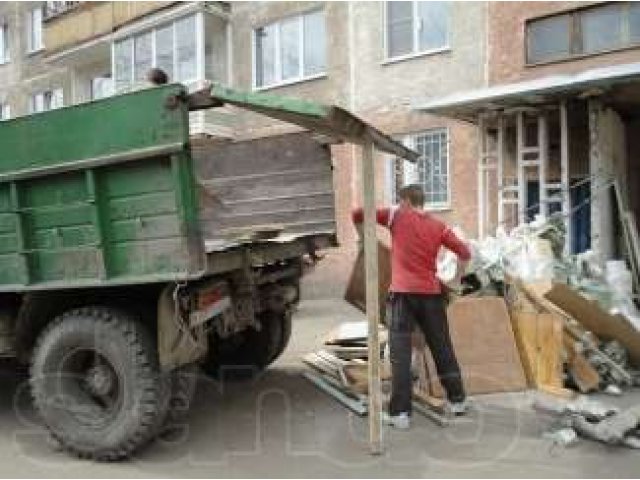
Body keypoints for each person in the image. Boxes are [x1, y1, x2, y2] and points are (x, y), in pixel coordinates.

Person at [352, 184, 471, 429]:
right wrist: (456, 280)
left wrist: (363, 238)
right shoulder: (439, 226)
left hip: (402, 296)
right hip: (431, 295)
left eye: (399, 200)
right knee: (441, 347)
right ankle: (457, 400)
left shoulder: (397, 215)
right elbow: (465, 252)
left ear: (405, 200)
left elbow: (357, 213)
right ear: (423, 201)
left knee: (400, 354)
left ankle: (400, 414)